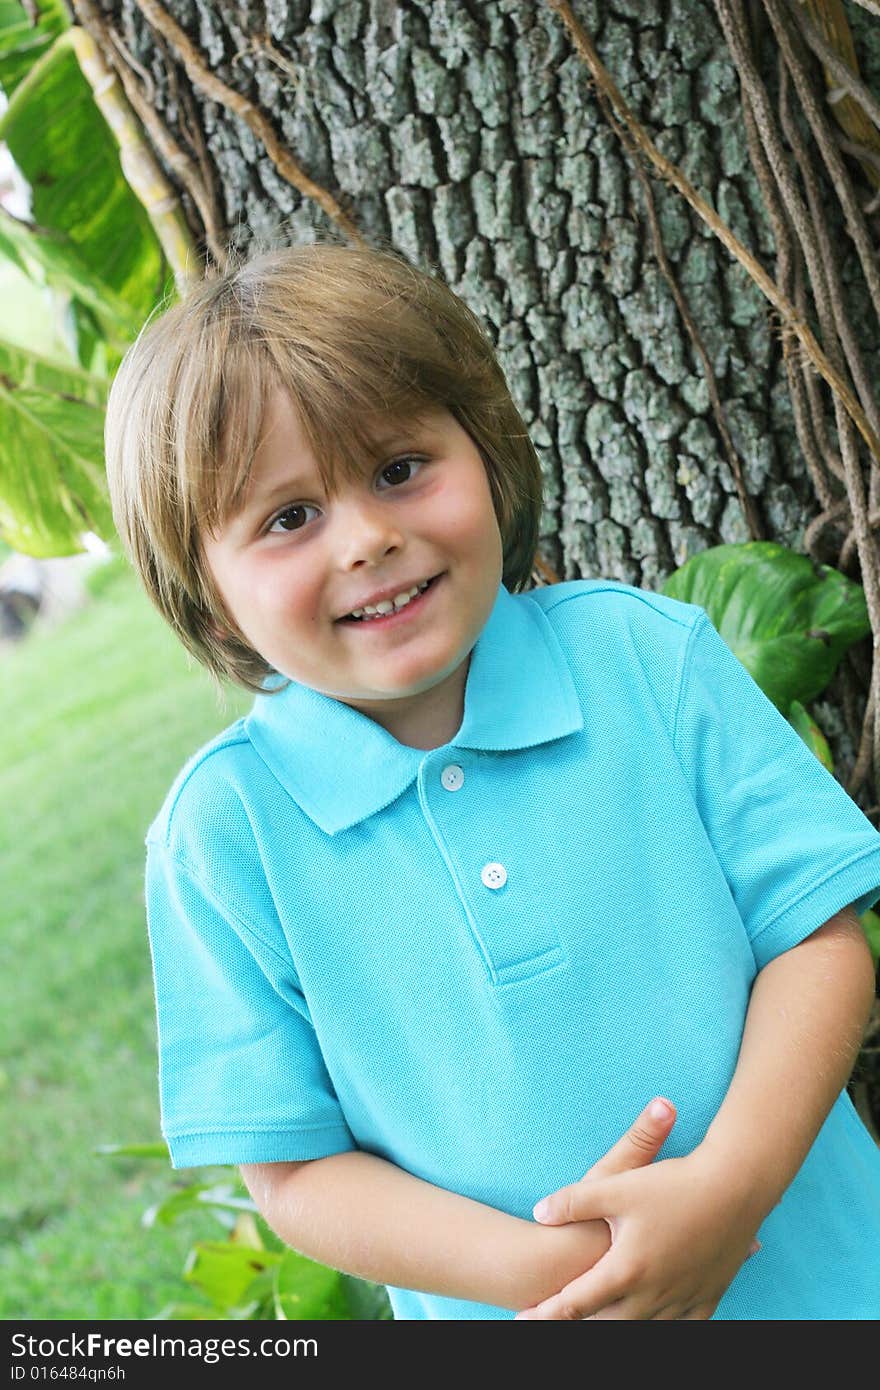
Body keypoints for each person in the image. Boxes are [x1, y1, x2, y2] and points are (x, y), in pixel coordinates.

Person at [104, 240, 880, 1320]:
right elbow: (295, 1172)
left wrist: (728, 1189)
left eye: (398, 468)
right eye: (287, 518)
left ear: (487, 451)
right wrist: (578, 1281)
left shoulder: (645, 660)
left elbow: (820, 944)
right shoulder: (223, 836)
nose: (369, 538)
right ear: (202, 589)